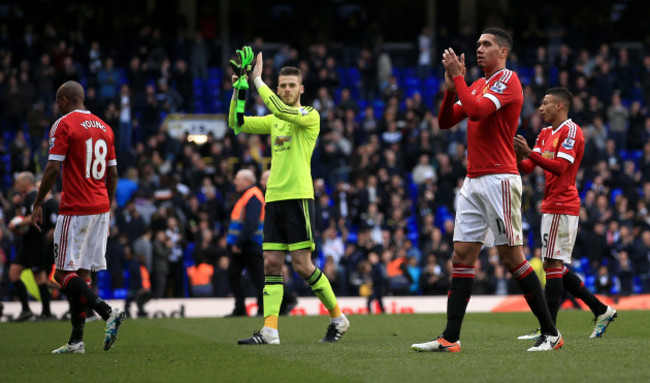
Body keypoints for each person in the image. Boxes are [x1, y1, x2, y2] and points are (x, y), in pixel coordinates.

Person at [411, 28, 562, 353]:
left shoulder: (509, 80)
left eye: (486, 44)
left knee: (511, 257)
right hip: (473, 180)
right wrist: (452, 89)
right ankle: (450, 338)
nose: (479, 49)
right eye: (478, 44)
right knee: (461, 256)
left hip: (500, 180)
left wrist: (459, 82)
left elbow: (478, 112)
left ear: (503, 51)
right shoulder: (477, 85)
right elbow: (447, 121)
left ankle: (551, 334)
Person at [230, 50, 350, 345]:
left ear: (301, 89)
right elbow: (238, 123)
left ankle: (338, 317)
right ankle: (270, 330)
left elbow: (283, 112)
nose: (285, 90)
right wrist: (239, 90)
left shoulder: (310, 116)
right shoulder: (273, 121)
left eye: (290, 85)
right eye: (282, 85)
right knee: (270, 263)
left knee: (302, 265)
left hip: (298, 197)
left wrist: (257, 79)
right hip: (274, 199)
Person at [513, 87, 617, 340]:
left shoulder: (571, 131)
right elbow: (528, 167)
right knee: (553, 266)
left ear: (560, 106)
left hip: (563, 203)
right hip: (550, 204)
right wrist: (517, 155)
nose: (540, 108)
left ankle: (550, 332)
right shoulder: (545, 133)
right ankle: (600, 309)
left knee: (553, 265)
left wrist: (530, 154)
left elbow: (560, 167)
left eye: (546, 103)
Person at [31, 80, 126, 354]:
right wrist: (107, 206)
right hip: (100, 207)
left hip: (75, 208)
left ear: (63, 101)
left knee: (61, 274)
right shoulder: (105, 127)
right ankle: (76, 341)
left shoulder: (64, 124)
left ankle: (107, 312)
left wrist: (38, 203)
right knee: (82, 276)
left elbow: (52, 168)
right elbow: (114, 174)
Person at [7, 172, 55, 321]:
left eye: (19, 183)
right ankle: (26, 310)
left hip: (36, 243)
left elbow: (33, 216)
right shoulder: (26, 198)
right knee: (13, 273)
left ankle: (47, 313)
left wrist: (16, 224)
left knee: (39, 277)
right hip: (27, 243)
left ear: (26, 182)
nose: (17, 186)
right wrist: (16, 205)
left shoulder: (35, 195)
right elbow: (23, 215)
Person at [226, 169, 265, 317]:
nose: (235, 182)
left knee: (257, 278)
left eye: (237, 179)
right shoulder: (247, 195)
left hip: (250, 244)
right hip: (246, 244)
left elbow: (251, 223)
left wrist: (239, 243)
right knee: (235, 274)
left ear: (247, 181)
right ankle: (241, 308)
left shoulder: (252, 196)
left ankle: (260, 309)